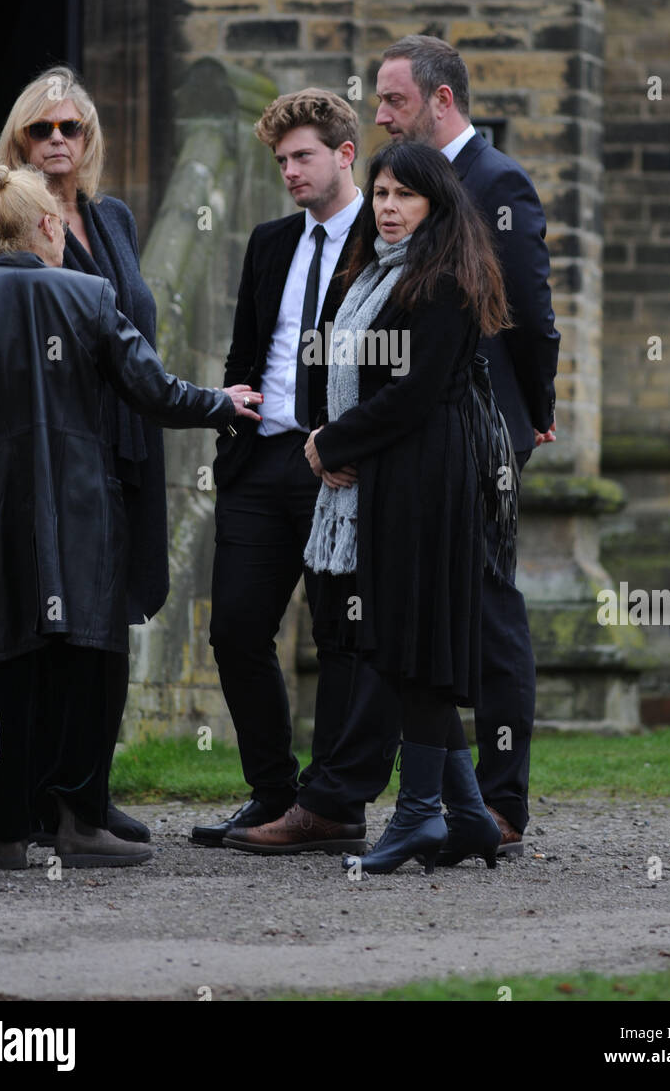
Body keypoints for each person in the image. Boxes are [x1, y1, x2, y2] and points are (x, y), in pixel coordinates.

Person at [0, 164, 261, 870]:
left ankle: (9, 833)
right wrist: (221, 404)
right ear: (49, 225)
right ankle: (80, 820)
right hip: (82, 513)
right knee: (88, 662)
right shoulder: (88, 294)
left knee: (8, 666)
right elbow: (154, 390)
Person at [243, 141, 509, 875]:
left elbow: (418, 390)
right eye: (381, 194)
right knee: (398, 646)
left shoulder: (443, 276)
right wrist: (345, 441)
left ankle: (420, 814)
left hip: (425, 478)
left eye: (404, 196)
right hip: (389, 471)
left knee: (412, 645)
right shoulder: (383, 273)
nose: (388, 208)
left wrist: (331, 439)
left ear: (436, 204)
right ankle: (463, 816)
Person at [0, 67, 170, 844]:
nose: (58, 140)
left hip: (117, 450)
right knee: (39, 636)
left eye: (71, 128)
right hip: (32, 465)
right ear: (19, 140)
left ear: (89, 138)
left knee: (107, 630)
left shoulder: (114, 221)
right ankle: (40, 803)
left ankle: (84, 795)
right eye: (42, 129)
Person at [191, 89, 400, 853]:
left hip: (336, 467)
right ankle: (272, 792)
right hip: (259, 460)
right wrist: (231, 425)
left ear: (346, 154)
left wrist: (347, 445)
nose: (288, 170)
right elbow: (248, 347)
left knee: (341, 634)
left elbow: (389, 368)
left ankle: (332, 804)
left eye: (302, 156)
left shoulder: (382, 241)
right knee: (237, 630)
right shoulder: (271, 241)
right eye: (280, 160)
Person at [372, 35, 560, 860]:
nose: (379, 116)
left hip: (480, 429)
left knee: (486, 609)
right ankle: (458, 806)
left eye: (393, 101)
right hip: (422, 428)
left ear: (441, 101)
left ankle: (502, 800)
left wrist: (534, 411)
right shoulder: (404, 186)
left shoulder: (496, 182)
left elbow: (529, 311)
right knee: (440, 609)